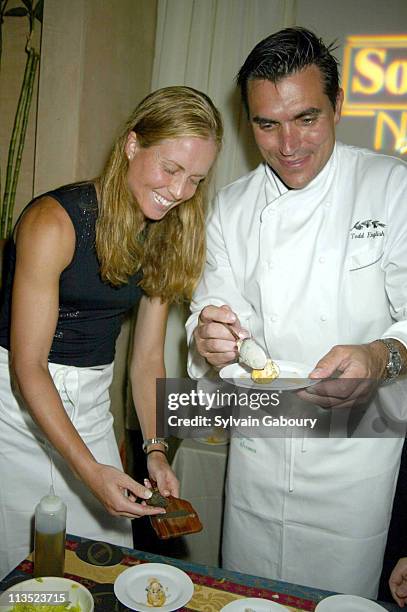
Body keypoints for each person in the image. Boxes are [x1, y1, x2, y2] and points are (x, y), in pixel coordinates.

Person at [186, 27, 407, 598]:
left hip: (354, 459)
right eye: (267, 124)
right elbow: (211, 312)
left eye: (306, 118)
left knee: (338, 602)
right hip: (260, 452)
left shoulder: (390, 187)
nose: (288, 145)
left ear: (338, 105)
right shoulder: (232, 207)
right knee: (250, 596)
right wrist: (207, 336)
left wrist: (379, 355)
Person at [0, 85, 223, 579]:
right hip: (14, 405)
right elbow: (27, 366)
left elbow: (146, 361)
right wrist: (87, 472)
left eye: (195, 179)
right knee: (16, 559)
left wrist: (155, 449)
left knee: (105, 559)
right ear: (131, 144)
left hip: (93, 397)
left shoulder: (166, 231)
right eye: (170, 168)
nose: (180, 191)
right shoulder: (52, 222)